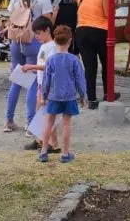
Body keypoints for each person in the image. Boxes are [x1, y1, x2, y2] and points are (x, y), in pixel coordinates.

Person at [4, 0, 54, 134]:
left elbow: (11, 15)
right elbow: (47, 22)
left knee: (17, 80)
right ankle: (30, 123)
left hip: (16, 40)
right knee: (34, 81)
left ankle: (8, 120)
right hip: (34, 41)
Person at [37, 27, 87, 163]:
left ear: (55, 40)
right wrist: (83, 95)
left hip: (53, 96)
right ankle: (65, 153)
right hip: (69, 96)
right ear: (70, 40)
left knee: (49, 123)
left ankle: (43, 152)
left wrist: (43, 95)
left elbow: (46, 80)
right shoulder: (74, 60)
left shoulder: (51, 60)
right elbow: (80, 79)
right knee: (66, 124)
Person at [75, 0, 119, 109]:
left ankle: (92, 99)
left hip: (81, 31)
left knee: (89, 67)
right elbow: (107, 13)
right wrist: (115, 6)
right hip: (99, 30)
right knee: (106, 64)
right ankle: (108, 93)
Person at [20, 17, 60, 152]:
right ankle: (41, 140)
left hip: (48, 85)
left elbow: (50, 67)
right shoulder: (43, 46)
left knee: (48, 114)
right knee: (41, 113)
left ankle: (52, 143)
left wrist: (32, 66)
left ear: (47, 30)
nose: (36, 36)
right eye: (35, 33)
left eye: (38, 33)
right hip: (41, 84)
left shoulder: (53, 47)